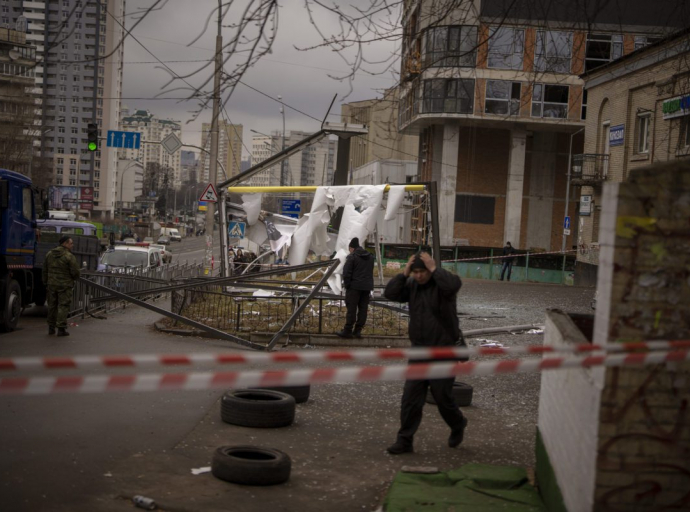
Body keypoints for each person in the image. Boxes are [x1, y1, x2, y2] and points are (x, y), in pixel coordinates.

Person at [383, 251, 468, 454]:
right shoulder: (412, 285)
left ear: (429, 270)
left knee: (442, 398)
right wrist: (404, 275)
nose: (419, 276)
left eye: (423, 272)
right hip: (419, 351)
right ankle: (404, 440)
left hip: (443, 351)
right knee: (410, 398)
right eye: (416, 272)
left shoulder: (442, 285)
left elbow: (454, 285)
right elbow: (390, 294)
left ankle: (458, 424)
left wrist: (434, 269)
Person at [336, 237, 375, 339]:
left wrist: (347, 285)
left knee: (351, 309)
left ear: (352, 248)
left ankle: (347, 330)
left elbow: (346, 273)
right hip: (366, 288)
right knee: (363, 309)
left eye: (349, 249)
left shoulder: (352, 257)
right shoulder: (370, 257)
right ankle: (358, 331)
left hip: (354, 287)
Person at [43, 236, 81, 336]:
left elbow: (44, 270)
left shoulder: (49, 254)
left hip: (51, 284)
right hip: (65, 285)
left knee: (52, 306)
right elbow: (75, 271)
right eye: (71, 243)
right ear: (65, 243)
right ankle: (61, 329)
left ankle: (51, 328)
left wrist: (46, 282)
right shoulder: (69, 256)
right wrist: (74, 278)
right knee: (63, 306)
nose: (72, 245)